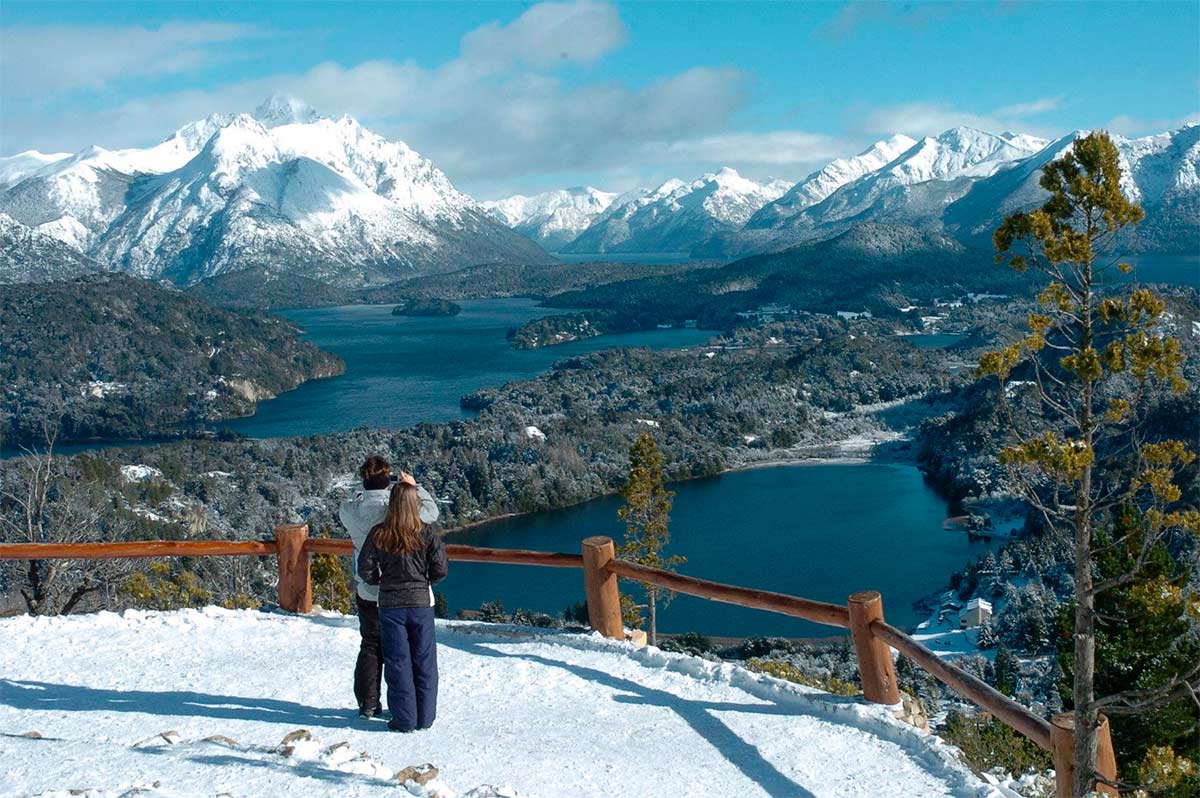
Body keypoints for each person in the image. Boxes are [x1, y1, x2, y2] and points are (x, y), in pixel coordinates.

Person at [339, 455, 439, 719]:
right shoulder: (399, 510)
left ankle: (368, 704)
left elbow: (346, 504)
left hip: (368, 587)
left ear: (364, 479)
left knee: (371, 645)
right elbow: (431, 513)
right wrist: (414, 487)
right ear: (388, 479)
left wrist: (362, 490)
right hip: (400, 591)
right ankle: (411, 708)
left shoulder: (351, 511)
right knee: (405, 652)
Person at [358, 482, 448, 733]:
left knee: (398, 662)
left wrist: (382, 581)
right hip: (420, 604)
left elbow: (364, 568)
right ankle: (425, 717)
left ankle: (404, 718)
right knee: (424, 661)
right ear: (415, 504)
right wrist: (424, 581)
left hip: (390, 605)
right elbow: (440, 569)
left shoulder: (379, 533)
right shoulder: (427, 532)